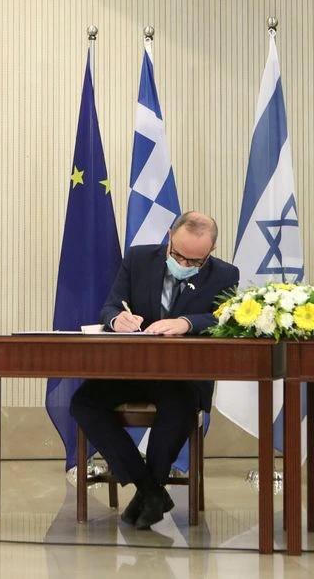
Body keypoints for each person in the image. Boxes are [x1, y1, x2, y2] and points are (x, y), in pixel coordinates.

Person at [69, 211, 239, 530]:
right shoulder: (138, 259)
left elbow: (225, 318)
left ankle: (149, 492)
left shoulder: (225, 274)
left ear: (211, 251)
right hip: (133, 369)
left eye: (195, 261)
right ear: (169, 237)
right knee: (84, 402)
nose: (184, 264)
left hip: (183, 377)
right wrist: (117, 320)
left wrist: (187, 323)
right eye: (178, 255)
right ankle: (150, 489)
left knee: (177, 409)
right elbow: (110, 306)